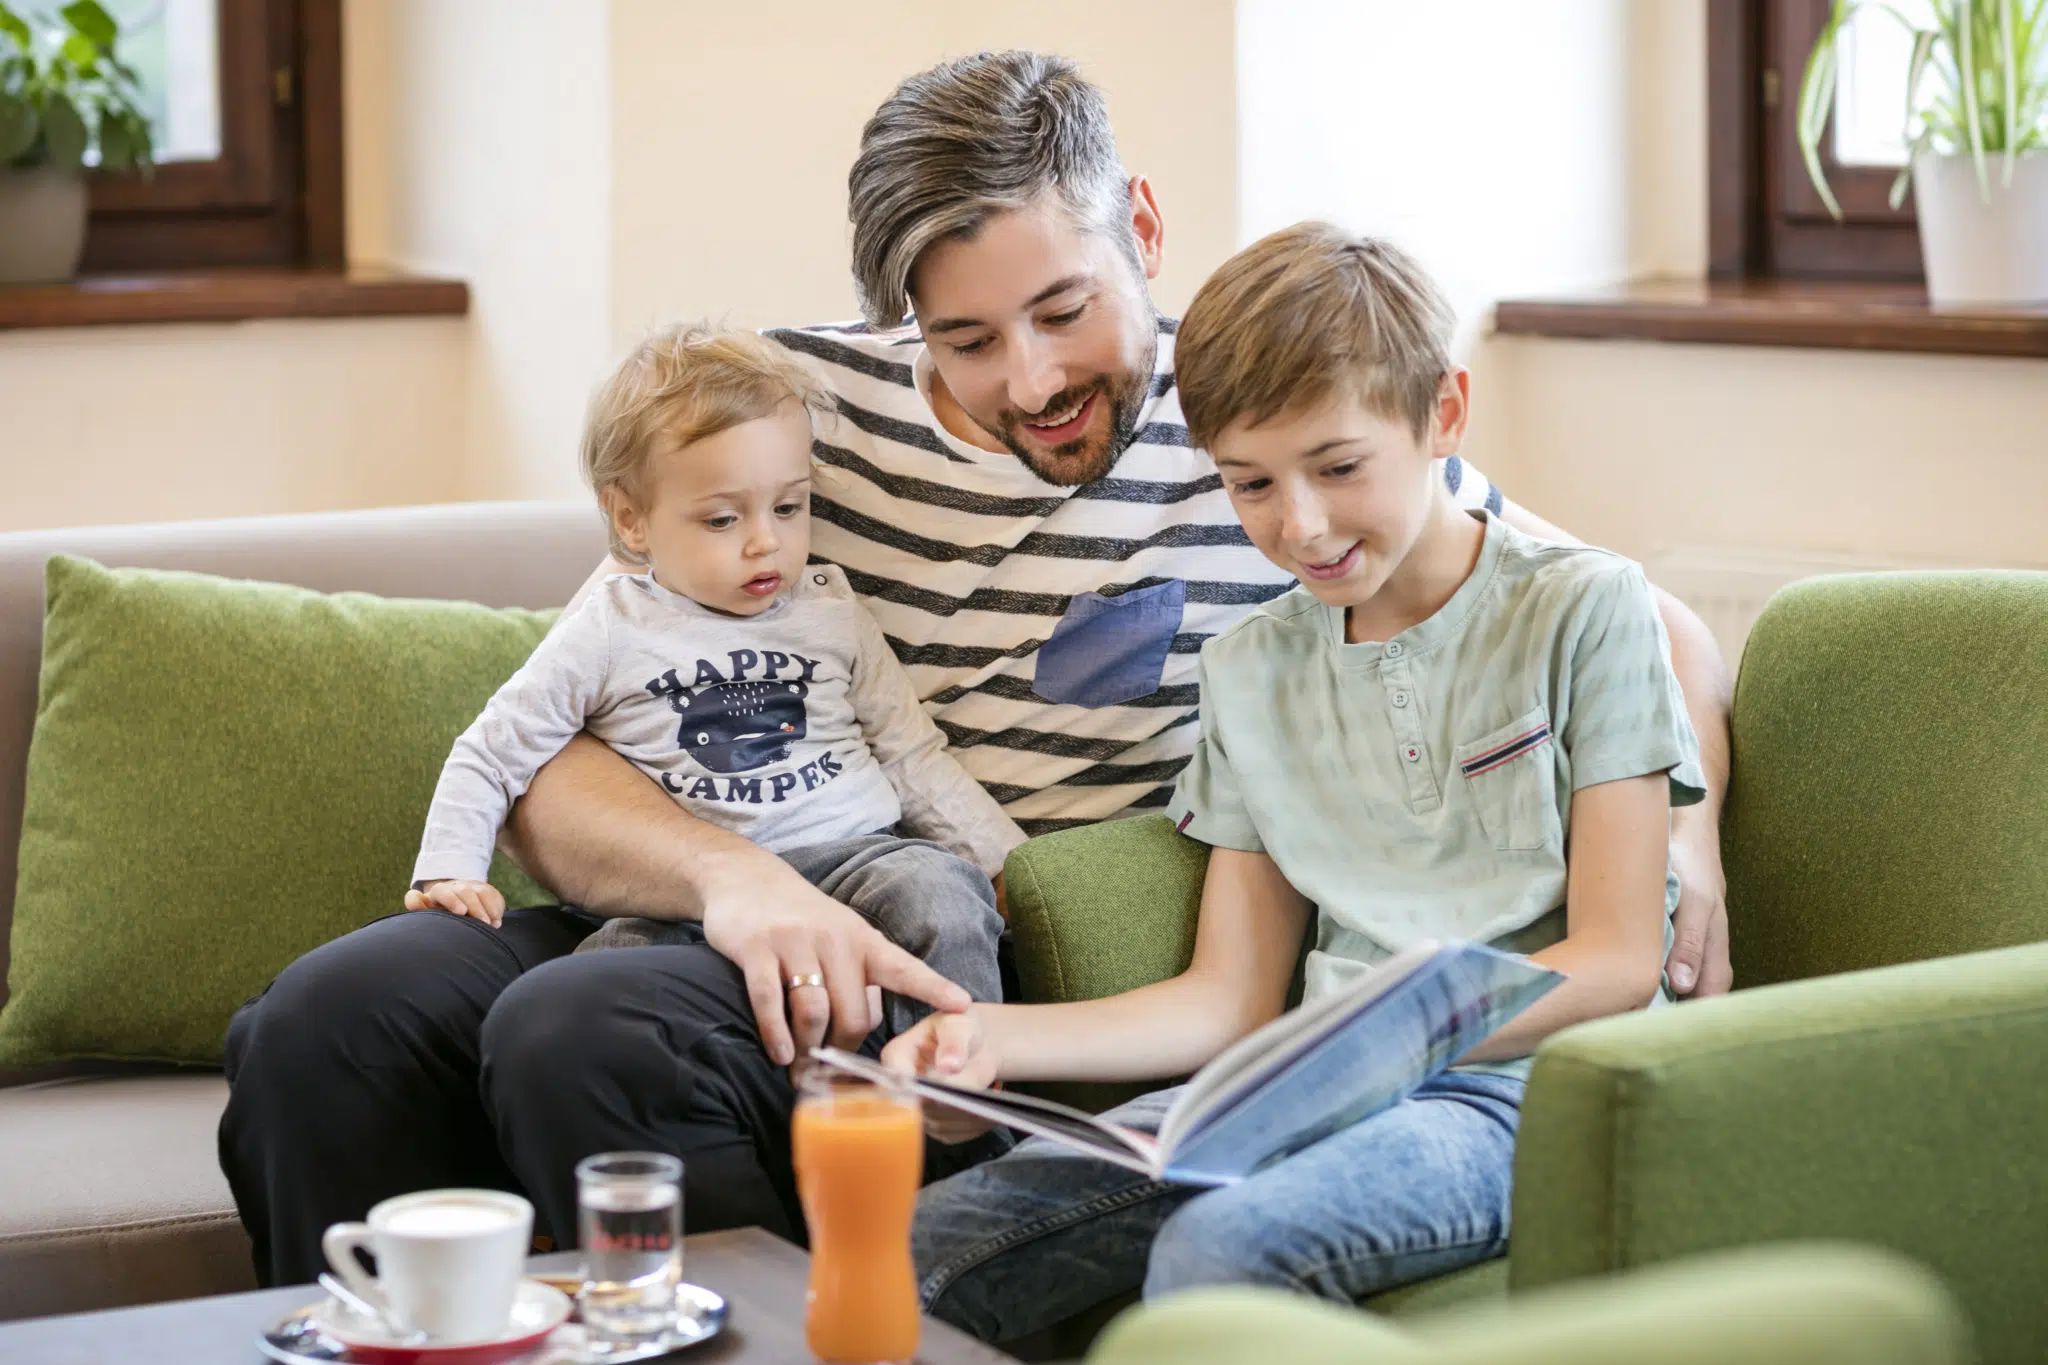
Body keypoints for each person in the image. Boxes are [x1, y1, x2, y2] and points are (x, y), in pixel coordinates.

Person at [218, 50, 1733, 1287]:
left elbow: (1630, 625)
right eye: (964, 340)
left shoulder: (1268, 428)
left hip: (913, 917)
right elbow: (563, 745)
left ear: (1141, 227)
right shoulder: (789, 424)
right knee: (318, 1029)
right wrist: (737, 882)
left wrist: (1681, 835)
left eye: (1066, 310)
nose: (1032, 381)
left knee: (577, 1039)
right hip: (704, 896)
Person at [898, 222, 1706, 1341]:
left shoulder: (1584, 608)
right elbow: (1227, 997)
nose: (1301, 526)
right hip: (1295, 1090)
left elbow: (1617, 962)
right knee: (922, 1249)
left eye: (1336, 468)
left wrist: (1367, 1051)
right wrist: (994, 1042)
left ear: (1443, 416)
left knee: (1222, 1244)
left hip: (1531, 1093)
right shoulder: (1249, 670)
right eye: (1250, 485)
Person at [405, 324, 1017, 1042]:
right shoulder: (611, 626)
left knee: (943, 895)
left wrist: (1012, 867)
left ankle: (965, 1114)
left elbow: (913, 756)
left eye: (789, 507)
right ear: (631, 518)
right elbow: (495, 749)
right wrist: (449, 867)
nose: (766, 541)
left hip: (862, 858)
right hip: (691, 902)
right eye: (724, 518)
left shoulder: (832, 610)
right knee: (588, 986)